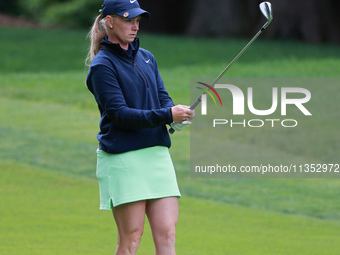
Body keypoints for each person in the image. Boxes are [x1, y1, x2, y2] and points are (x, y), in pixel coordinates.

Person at [85, 0, 194, 254]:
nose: (135, 27)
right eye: (128, 20)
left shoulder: (146, 57)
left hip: (156, 155)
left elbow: (161, 95)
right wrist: (167, 114)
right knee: (132, 238)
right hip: (123, 157)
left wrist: (174, 115)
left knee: (167, 233)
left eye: (137, 21)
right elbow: (121, 115)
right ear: (110, 21)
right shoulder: (102, 66)